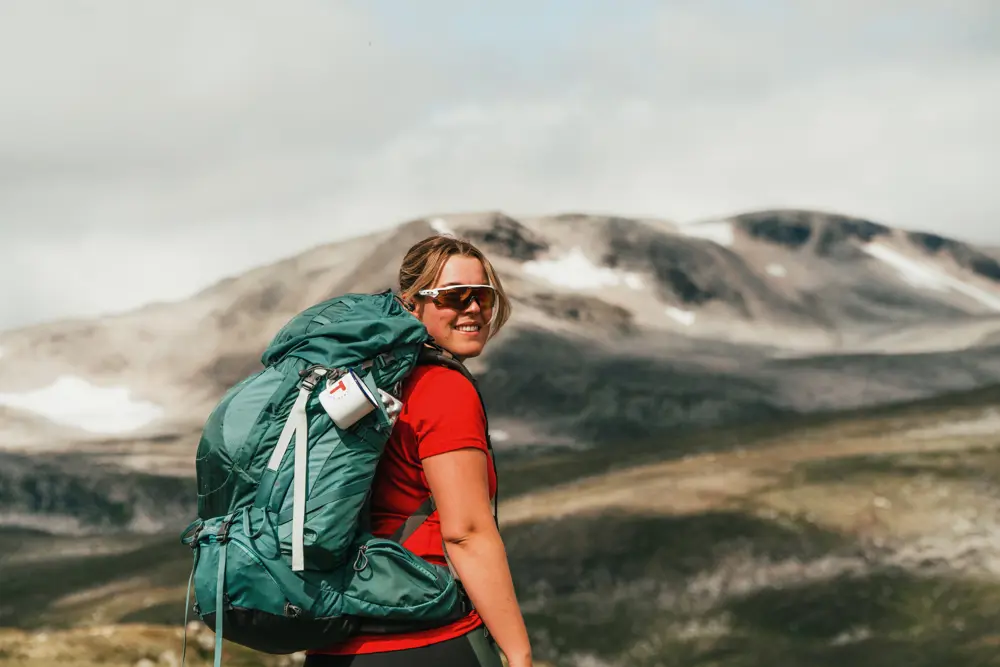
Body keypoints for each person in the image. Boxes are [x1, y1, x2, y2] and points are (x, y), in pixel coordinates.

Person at [304, 235, 533, 667]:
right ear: (412, 305)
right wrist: (519, 652)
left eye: (483, 296)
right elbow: (465, 533)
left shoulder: (363, 382)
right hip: (427, 638)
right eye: (452, 297)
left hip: (335, 645)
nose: (472, 309)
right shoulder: (444, 389)